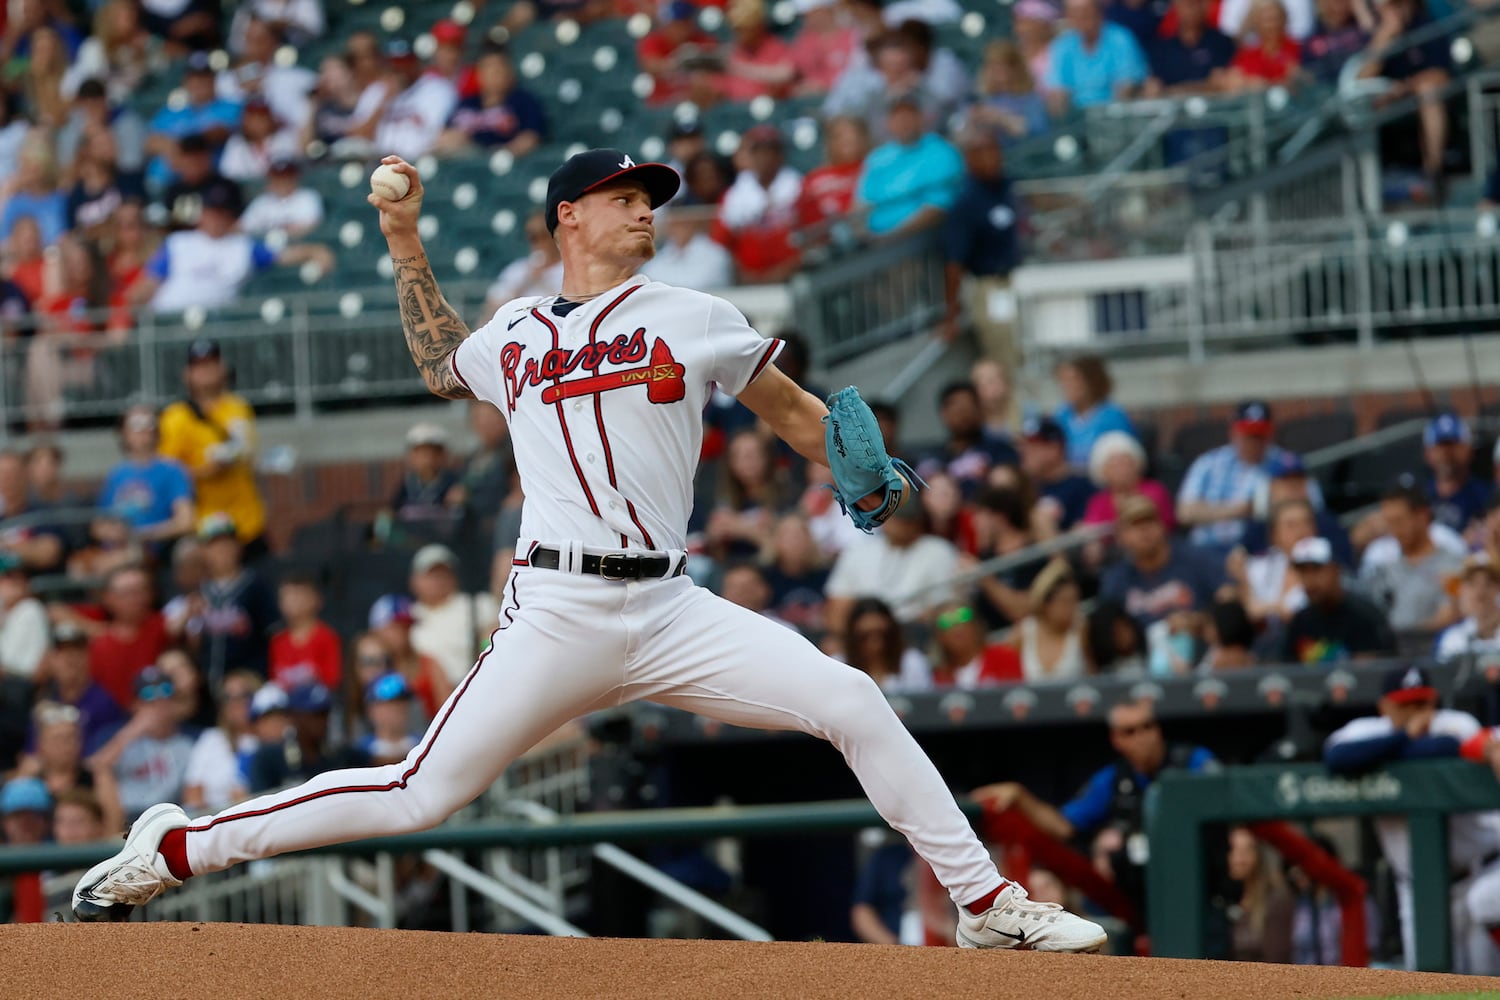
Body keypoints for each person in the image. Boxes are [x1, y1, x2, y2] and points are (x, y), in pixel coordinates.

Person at [74, 148, 1108, 955]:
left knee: (852, 699)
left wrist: (865, 474)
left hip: (670, 609)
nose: (645, 208)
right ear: (571, 215)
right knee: (419, 794)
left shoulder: (695, 315)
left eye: (650, 195)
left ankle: (984, 901)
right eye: (623, 195)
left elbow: (795, 411)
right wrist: (402, 237)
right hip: (556, 613)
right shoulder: (516, 329)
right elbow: (440, 361)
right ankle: (175, 847)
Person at [1325, 665, 1500, 974]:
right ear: (1384, 706)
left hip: (1483, 870)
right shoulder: (1368, 730)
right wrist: (1405, 736)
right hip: (1417, 889)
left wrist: (1396, 749)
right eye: (1404, 705)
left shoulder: (1453, 723)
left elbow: (1451, 744)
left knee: (1485, 981)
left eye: (1422, 703)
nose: (1416, 712)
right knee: (1429, 984)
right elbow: (1338, 758)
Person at [972, 697, 1217, 910]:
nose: (1143, 737)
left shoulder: (1194, 762)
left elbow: (1229, 812)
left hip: (1201, 884)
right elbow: (1063, 826)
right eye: (1130, 731)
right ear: (1116, 740)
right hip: (1142, 894)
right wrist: (1020, 795)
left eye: (1148, 727)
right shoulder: (1112, 780)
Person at [133, 179, 335, 313]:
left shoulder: (242, 247)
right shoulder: (178, 242)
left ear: (231, 216)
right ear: (201, 213)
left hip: (217, 324)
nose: (215, 218)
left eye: (222, 212)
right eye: (211, 211)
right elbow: (147, 285)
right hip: (169, 319)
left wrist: (315, 251)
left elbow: (284, 255)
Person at [156, 339, 268, 559]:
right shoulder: (175, 416)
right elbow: (168, 472)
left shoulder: (238, 407)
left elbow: (248, 451)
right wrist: (206, 470)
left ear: (223, 368)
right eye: (198, 365)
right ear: (187, 373)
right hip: (203, 523)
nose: (205, 370)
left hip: (245, 519)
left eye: (211, 363)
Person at [1177, 401, 1313, 554]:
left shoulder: (1288, 464)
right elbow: (1184, 513)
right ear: (1233, 433)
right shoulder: (1209, 463)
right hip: (1208, 549)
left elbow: (1314, 507)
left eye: (1260, 435)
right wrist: (1239, 510)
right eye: (1249, 435)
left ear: (1271, 434)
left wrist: (1275, 507)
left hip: (1267, 551)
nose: (1254, 442)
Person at [941, 127, 1024, 370]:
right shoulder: (966, 202)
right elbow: (954, 261)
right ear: (970, 159)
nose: (991, 157)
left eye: (993, 150)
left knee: (1026, 351)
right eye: (981, 151)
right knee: (1004, 355)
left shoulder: (1005, 188)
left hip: (1016, 281)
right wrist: (951, 313)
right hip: (989, 286)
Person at [1355, 0, 1450, 188]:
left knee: (1429, 92)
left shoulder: (1426, 26)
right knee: (1359, 107)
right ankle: (1366, 184)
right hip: (1384, 103)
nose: (1390, 11)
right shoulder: (1375, 34)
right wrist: (1385, 36)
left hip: (1419, 98)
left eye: (1395, 5)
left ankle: (1433, 172)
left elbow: (1441, 75)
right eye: (1384, 7)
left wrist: (1405, 87)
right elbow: (1360, 80)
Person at [824, 500, 960, 629]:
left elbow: (946, 610)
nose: (900, 525)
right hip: (863, 632)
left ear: (919, 520)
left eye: (907, 519)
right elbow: (838, 604)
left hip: (917, 632)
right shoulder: (858, 551)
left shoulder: (939, 551)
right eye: (894, 517)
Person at [1099, 495, 1224, 633]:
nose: (1144, 530)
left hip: (1201, 645)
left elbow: (1229, 598)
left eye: (1149, 520)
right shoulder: (1116, 580)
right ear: (1120, 537)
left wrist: (1199, 621)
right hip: (1146, 652)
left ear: (1162, 525)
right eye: (1135, 524)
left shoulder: (1196, 558)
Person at [91, 666, 196, 823]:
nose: (158, 702)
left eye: (165, 692)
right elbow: (95, 766)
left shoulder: (188, 742)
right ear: (136, 705)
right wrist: (133, 731)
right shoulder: (118, 738)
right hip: (127, 819)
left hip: (171, 819)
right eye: (149, 695)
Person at [854, 93, 964, 238]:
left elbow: (936, 209)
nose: (903, 121)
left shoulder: (942, 152)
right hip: (874, 244)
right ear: (888, 122)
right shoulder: (877, 157)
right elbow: (861, 205)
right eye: (897, 116)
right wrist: (858, 235)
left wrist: (890, 239)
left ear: (921, 118)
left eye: (909, 115)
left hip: (921, 241)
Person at [1359, 483, 1463, 633]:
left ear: (1422, 515)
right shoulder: (1385, 568)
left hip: (1433, 651)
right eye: (1389, 523)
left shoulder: (1452, 565)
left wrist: (1399, 636)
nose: (1395, 530)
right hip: (1390, 653)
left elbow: (1448, 616)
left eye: (1399, 521)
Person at [189, 514, 279, 686]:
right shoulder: (199, 591)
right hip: (209, 682)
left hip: (250, 679)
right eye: (214, 545)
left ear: (239, 546)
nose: (222, 550)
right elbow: (194, 642)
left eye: (227, 543)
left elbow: (273, 632)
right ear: (203, 551)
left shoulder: (255, 585)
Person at [1282, 536, 1396, 664]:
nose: (1310, 580)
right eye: (1303, 572)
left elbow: (1374, 673)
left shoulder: (1365, 617)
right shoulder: (1300, 622)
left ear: (1336, 569)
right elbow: (1288, 671)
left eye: (1316, 570)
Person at [712, 126, 802, 284]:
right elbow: (722, 244)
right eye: (759, 152)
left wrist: (786, 270)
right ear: (751, 156)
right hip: (748, 283)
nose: (765, 158)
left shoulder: (799, 188)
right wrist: (743, 275)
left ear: (780, 155)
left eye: (771, 151)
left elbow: (813, 238)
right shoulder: (734, 195)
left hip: (794, 280)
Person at [97, 405, 196, 546]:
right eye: (135, 424)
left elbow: (186, 521)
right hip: (117, 548)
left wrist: (142, 535)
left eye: (148, 423)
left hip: (155, 551)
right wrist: (114, 534)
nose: (143, 430)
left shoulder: (173, 470)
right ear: (123, 432)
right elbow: (98, 525)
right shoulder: (116, 474)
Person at [408, 544, 499, 690]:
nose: (437, 580)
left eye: (443, 573)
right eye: (431, 574)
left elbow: (498, 637)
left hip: (478, 686)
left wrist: (485, 646)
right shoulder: (406, 616)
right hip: (426, 696)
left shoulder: (478, 605)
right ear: (414, 580)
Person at [85, 564, 169, 712]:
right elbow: (55, 610)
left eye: (142, 591)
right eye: (129, 593)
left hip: (156, 716)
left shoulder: (161, 627)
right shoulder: (99, 644)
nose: (137, 599)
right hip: (109, 720)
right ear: (109, 598)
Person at [435, 46, 546, 157]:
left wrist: (497, 155)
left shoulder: (524, 101)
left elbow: (531, 138)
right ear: (478, 73)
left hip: (502, 162)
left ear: (509, 72)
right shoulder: (467, 103)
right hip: (464, 158)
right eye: (488, 68)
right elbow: (442, 136)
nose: (493, 73)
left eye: (499, 68)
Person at [915, 382, 1020, 498]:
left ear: (980, 410)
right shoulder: (931, 458)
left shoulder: (1000, 451)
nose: (963, 416)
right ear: (944, 414)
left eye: (968, 408)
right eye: (957, 411)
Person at [1046, 0, 1148, 115]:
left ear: (1099, 12)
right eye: (1075, 13)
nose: (1081, 16)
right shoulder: (1062, 46)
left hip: (1114, 114)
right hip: (1076, 118)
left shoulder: (1120, 39)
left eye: (1086, 12)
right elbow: (1058, 89)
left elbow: (1127, 84)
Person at [182, 669, 260, 815]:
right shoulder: (211, 739)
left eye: (243, 695)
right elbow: (193, 792)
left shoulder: (266, 741)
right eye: (227, 697)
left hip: (256, 816)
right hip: (213, 821)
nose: (235, 703)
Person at [1081, 430, 1175, 535]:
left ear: (1137, 464)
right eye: (1113, 465)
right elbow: (1090, 534)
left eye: (1124, 463)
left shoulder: (1154, 491)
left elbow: (1164, 525)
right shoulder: (1098, 502)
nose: (1121, 470)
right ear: (1103, 471)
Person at [1225, 825, 1295, 964]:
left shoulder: (1277, 899)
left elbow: (1276, 962)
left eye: (1245, 851)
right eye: (1233, 850)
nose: (1237, 859)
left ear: (1260, 854)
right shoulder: (1233, 897)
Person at [1054, 355, 1136, 471]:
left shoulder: (1113, 417)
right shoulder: (1061, 416)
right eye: (1063, 380)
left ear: (1091, 381)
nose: (1067, 386)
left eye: (1074, 379)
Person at [1012, 558, 1088, 682]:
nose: (1072, 609)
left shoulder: (1081, 628)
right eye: (1065, 602)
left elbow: (1092, 672)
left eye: (1075, 601)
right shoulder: (1023, 632)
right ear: (1046, 604)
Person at [1144, 0, 1235, 96]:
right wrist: (1204, 86)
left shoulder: (1221, 42)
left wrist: (1173, 90)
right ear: (1176, 7)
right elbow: (1155, 87)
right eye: (1186, 4)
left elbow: (1220, 83)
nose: (1191, 10)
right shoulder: (1162, 48)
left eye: (1195, 4)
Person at [1019, 416, 1095, 532]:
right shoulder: (1026, 487)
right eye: (1023, 445)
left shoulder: (1083, 487)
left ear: (1054, 449)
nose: (1024, 451)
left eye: (1032, 446)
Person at [1420, 414, 1491, 536]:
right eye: (1440, 446)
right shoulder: (1419, 493)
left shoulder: (1486, 496)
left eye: (1454, 446)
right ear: (1427, 453)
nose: (1447, 454)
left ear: (1470, 450)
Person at [483, 212, 565, 317]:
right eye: (533, 237)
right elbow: (493, 308)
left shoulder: (569, 269)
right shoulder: (517, 270)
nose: (539, 242)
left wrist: (542, 281)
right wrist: (527, 280)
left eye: (544, 235)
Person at [840, 597, 932, 691]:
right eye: (865, 636)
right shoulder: (839, 664)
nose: (874, 642)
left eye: (881, 634)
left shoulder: (911, 661)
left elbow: (920, 701)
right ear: (853, 637)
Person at [268, 573, 341, 691]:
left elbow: (332, 681)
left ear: (316, 600)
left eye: (297, 595)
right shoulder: (277, 641)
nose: (292, 602)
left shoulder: (327, 637)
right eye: (286, 597)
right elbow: (275, 682)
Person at [930, 603, 1023, 687]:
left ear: (976, 624)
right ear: (939, 636)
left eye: (963, 616)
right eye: (946, 622)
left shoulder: (1004, 657)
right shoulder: (940, 678)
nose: (957, 626)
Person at [1221, 0, 1301, 89]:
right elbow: (1230, 81)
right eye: (1267, 20)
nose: (1272, 25)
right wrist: (1247, 83)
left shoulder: (1297, 50)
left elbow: (1304, 78)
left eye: (1276, 18)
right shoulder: (1247, 55)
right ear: (1256, 23)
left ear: (1284, 19)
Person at [237, 157, 325, 238]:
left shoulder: (307, 197)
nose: (282, 181)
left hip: (298, 245)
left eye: (286, 177)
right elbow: (242, 228)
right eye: (278, 177)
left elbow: (311, 226)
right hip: (265, 249)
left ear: (295, 178)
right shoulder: (261, 202)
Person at [1434, 554, 1500, 661]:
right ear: (1462, 590)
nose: (1480, 592)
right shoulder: (1453, 638)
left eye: (1489, 584)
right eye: (1472, 584)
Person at [358, 672, 423, 765]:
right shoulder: (359, 753)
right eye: (390, 702)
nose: (398, 708)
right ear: (371, 709)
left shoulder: (424, 747)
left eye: (402, 700)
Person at [0, 553, 46, 680]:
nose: (17, 581)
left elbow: (16, 665)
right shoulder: (4, 611)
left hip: (17, 683)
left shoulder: (30, 608)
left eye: (22, 577)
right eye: (9, 576)